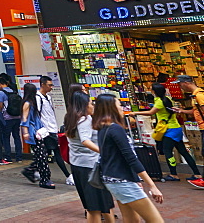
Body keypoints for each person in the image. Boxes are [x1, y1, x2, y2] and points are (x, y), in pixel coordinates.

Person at [93, 93, 164, 223]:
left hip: (113, 179)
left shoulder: (103, 128)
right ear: (111, 108)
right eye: (119, 105)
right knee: (156, 221)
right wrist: (151, 185)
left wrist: (135, 179)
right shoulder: (114, 128)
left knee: (132, 220)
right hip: (122, 181)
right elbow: (131, 158)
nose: (122, 108)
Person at [129, 82, 202, 183]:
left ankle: (173, 174)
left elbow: (151, 112)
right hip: (176, 128)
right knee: (183, 152)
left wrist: (135, 113)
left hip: (168, 130)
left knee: (168, 152)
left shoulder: (159, 101)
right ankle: (197, 173)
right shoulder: (168, 99)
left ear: (154, 91)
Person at [64, 90, 114, 223]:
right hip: (90, 166)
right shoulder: (85, 119)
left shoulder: (70, 118)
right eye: (91, 103)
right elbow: (85, 140)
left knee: (93, 205)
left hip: (77, 164)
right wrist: (103, 151)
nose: (93, 106)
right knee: (101, 204)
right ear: (84, 105)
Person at [36, 76, 70, 181]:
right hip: (45, 131)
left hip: (52, 129)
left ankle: (36, 171)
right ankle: (67, 175)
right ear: (42, 85)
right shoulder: (37, 98)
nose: (51, 87)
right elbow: (37, 115)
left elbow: (51, 114)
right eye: (49, 85)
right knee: (55, 152)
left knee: (47, 153)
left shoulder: (48, 98)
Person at [21, 82, 54, 189]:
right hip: (34, 132)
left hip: (38, 131)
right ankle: (44, 179)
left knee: (41, 155)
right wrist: (25, 132)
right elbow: (25, 119)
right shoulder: (28, 103)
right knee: (41, 156)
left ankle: (33, 172)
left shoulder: (32, 102)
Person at [175, 74, 204, 188]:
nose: (180, 86)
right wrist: (182, 111)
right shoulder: (195, 96)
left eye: (180, 84)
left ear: (186, 83)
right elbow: (195, 111)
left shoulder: (199, 95)